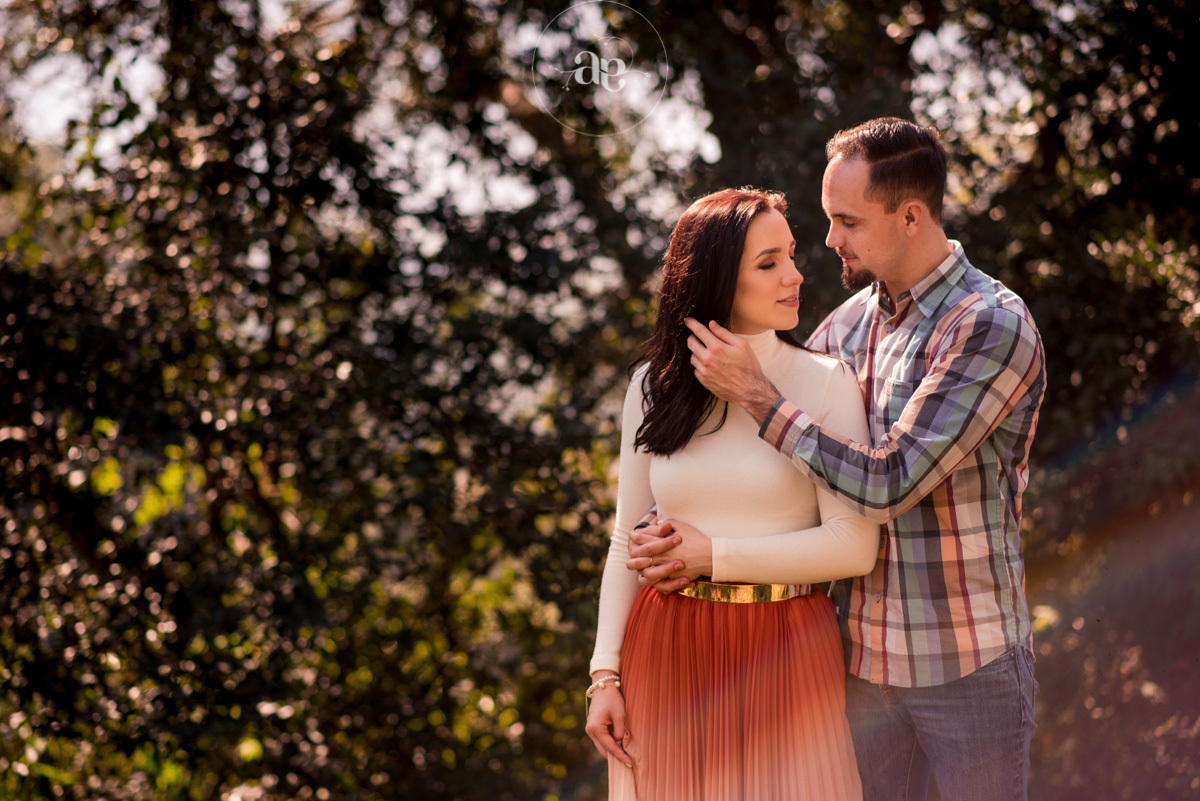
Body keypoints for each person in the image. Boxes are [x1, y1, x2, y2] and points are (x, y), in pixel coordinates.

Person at [629, 118, 1046, 801]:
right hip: (855, 664)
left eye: (845, 220)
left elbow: (890, 480)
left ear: (909, 216)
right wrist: (671, 519)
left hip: (966, 668)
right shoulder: (847, 326)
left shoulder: (987, 324)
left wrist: (764, 402)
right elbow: (780, 477)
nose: (829, 241)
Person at [585, 187, 880, 800]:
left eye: (791, 256)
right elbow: (625, 538)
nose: (795, 276)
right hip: (666, 648)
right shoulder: (652, 384)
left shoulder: (825, 383)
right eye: (768, 263)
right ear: (718, 280)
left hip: (786, 648)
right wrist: (603, 674)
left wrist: (712, 554)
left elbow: (854, 546)